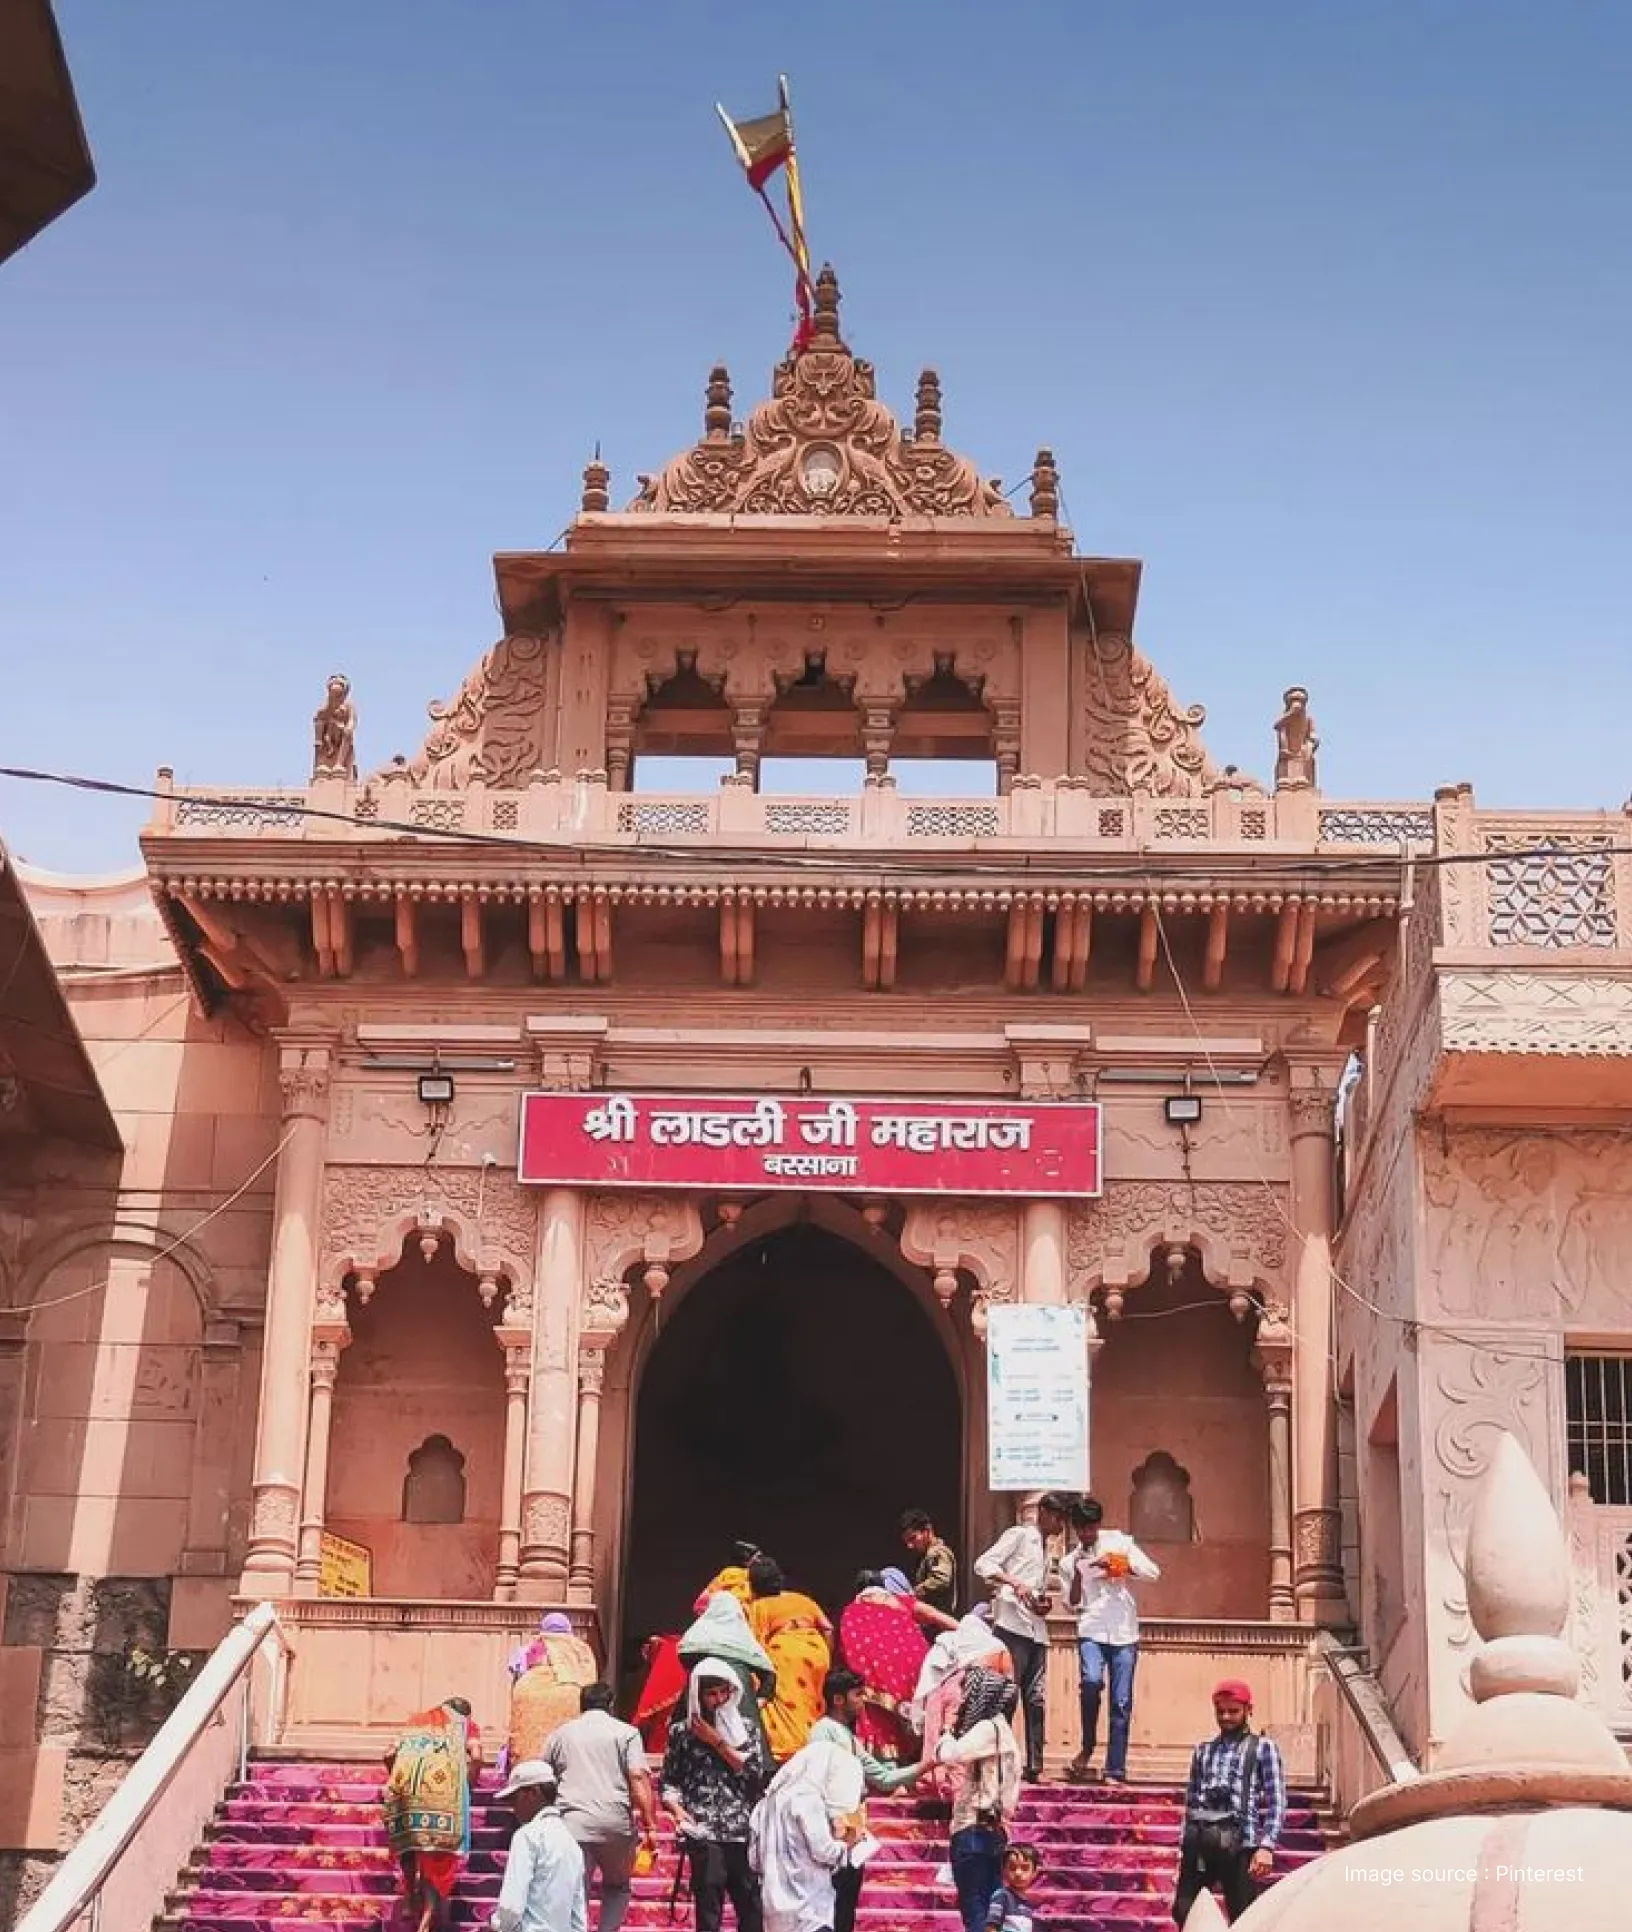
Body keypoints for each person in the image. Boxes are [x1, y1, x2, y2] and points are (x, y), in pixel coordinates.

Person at [809, 1667, 926, 1932]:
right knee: (830, 1905)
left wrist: (926, 1765)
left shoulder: (847, 1737)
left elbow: (883, 1777)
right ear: (838, 1699)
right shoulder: (823, 1731)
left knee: (846, 1904)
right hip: (833, 1831)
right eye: (858, 1695)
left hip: (853, 1829)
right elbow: (817, 1781)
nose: (862, 1701)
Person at [662, 1659, 770, 1932]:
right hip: (704, 1832)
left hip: (742, 1830)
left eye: (724, 1692)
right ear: (698, 1695)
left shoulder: (746, 1730)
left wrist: (717, 1742)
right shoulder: (682, 1733)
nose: (719, 1700)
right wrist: (676, 1809)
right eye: (711, 1694)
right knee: (708, 1911)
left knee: (751, 1909)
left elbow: (755, 1772)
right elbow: (669, 1781)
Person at [543, 1682, 659, 1932]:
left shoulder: (561, 1734)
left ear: (581, 1704)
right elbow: (638, 1778)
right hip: (615, 1822)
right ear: (611, 1704)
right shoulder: (626, 1733)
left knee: (575, 1889)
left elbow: (545, 1777)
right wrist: (650, 1824)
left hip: (571, 1822)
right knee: (618, 1886)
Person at [1169, 1679, 1287, 1925]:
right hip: (1200, 1843)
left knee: (1244, 1917)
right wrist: (1184, 1849)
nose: (1226, 1717)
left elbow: (1277, 1800)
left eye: (1233, 1711)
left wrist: (1266, 1846)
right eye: (1220, 1711)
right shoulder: (1203, 1751)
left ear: (1248, 1710)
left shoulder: (1263, 1748)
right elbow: (1192, 1802)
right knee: (1184, 1910)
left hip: (1240, 1844)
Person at [1061, 1497, 1160, 1786]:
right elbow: (1071, 1603)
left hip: (1123, 1631)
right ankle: (1088, 1743)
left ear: (1098, 1525)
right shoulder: (1069, 1560)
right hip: (1091, 1627)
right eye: (1082, 1529)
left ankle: (1115, 1768)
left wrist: (1116, 1564)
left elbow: (1152, 1572)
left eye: (1091, 1528)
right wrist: (1081, 1574)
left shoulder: (1118, 1542)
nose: (1087, 1534)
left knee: (1121, 1701)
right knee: (1090, 1682)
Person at [634, 1553, 774, 1756]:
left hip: (700, 1704)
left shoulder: (697, 1639)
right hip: (738, 1704)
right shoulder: (745, 1641)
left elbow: (684, 1655)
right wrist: (758, 1700)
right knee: (746, 1750)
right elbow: (769, 1675)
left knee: (686, 1747)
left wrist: (702, 1676)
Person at [973, 1496, 1071, 1782]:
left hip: (1036, 1629)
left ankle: (1035, 1766)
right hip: (1011, 1625)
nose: (1060, 1525)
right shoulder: (1019, 1535)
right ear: (1043, 1513)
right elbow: (984, 1564)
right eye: (1057, 1517)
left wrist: (1040, 1602)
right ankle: (999, 1760)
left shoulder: (1047, 1547)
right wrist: (1014, 1582)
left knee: (1036, 1698)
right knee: (1008, 1695)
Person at [382, 1695, 483, 1932]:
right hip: (439, 1798)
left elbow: (387, 1754)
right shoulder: (464, 1725)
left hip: (403, 1793)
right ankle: (426, 1922)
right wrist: (469, 1783)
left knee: (409, 1845)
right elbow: (476, 1756)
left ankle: (408, 1896)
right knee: (435, 1860)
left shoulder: (416, 1722)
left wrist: (395, 1776)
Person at [748, 1739, 869, 1932]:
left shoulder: (766, 1804)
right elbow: (824, 1851)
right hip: (809, 1909)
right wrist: (849, 1843)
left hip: (774, 1910)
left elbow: (754, 1860)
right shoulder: (807, 1799)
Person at [934, 1668, 1022, 1932]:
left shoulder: (987, 1729)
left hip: (973, 1830)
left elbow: (950, 1755)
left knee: (976, 1913)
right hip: (994, 1832)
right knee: (990, 1917)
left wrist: (946, 1732)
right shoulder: (1005, 1733)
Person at [835, 1571, 949, 1764]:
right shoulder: (901, 1601)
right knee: (916, 1716)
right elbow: (934, 1615)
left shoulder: (851, 1611)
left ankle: (890, 1771)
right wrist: (967, 1631)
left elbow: (847, 1646)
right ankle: (921, 1764)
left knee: (877, 1716)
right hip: (914, 1667)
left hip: (875, 1676)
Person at [909, 1610, 1015, 1790]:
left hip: (938, 1692)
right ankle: (960, 1786)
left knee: (936, 1738)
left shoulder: (947, 1640)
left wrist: (921, 1708)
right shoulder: (996, 1645)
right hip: (970, 1693)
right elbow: (1009, 1680)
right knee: (964, 1741)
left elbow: (929, 1674)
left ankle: (933, 1781)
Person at [744, 1555, 834, 1762]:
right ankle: (817, 1746)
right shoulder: (801, 1599)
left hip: (786, 1653)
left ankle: (792, 1750)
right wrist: (826, 1656)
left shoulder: (759, 1606)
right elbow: (828, 1627)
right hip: (816, 1651)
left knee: (787, 1706)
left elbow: (754, 1643)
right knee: (813, 1702)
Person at [491, 1758, 588, 1932]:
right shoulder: (571, 1843)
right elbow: (578, 1915)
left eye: (515, 1799)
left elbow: (511, 1906)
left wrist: (499, 1926)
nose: (514, 1808)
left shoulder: (527, 1837)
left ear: (533, 1793)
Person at [509, 1613, 600, 1765]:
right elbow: (590, 1680)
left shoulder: (529, 1647)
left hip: (529, 1695)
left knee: (530, 1745)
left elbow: (517, 1676)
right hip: (569, 1694)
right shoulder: (580, 1648)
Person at [898, 1508, 959, 1617]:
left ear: (927, 1531)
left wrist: (914, 1592)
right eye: (907, 1541)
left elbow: (941, 1580)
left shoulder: (937, 1553)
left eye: (913, 1538)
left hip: (938, 1619)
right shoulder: (926, 1555)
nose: (910, 1545)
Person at [985, 1843, 1043, 1932]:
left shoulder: (1027, 1904)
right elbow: (991, 1927)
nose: (1018, 1873)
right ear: (1004, 1870)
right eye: (1012, 1868)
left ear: (1034, 1872)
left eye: (1025, 1868)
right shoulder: (1002, 1896)